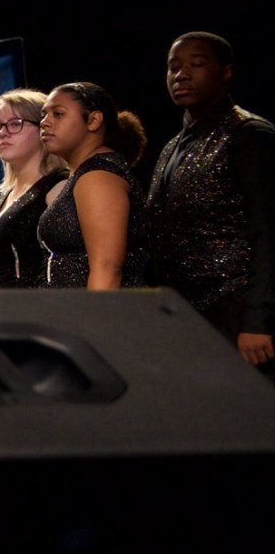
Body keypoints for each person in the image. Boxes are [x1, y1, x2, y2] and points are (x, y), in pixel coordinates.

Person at [146, 33, 274, 369]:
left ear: (226, 72)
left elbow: (267, 232)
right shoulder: (171, 147)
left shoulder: (248, 134)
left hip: (235, 309)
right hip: (185, 313)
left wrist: (257, 320)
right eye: (173, 67)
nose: (181, 75)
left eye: (197, 64)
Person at [36, 82, 148, 291]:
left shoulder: (98, 176)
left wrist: (93, 314)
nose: (44, 122)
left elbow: (107, 269)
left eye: (58, 114)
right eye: (44, 115)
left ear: (94, 120)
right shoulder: (84, 173)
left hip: (95, 309)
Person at [0, 90, 68, 289]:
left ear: (43, 128)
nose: (3, 133)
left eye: (15, 124)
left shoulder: (59, 186)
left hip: (41, 305)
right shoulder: (3, 197)